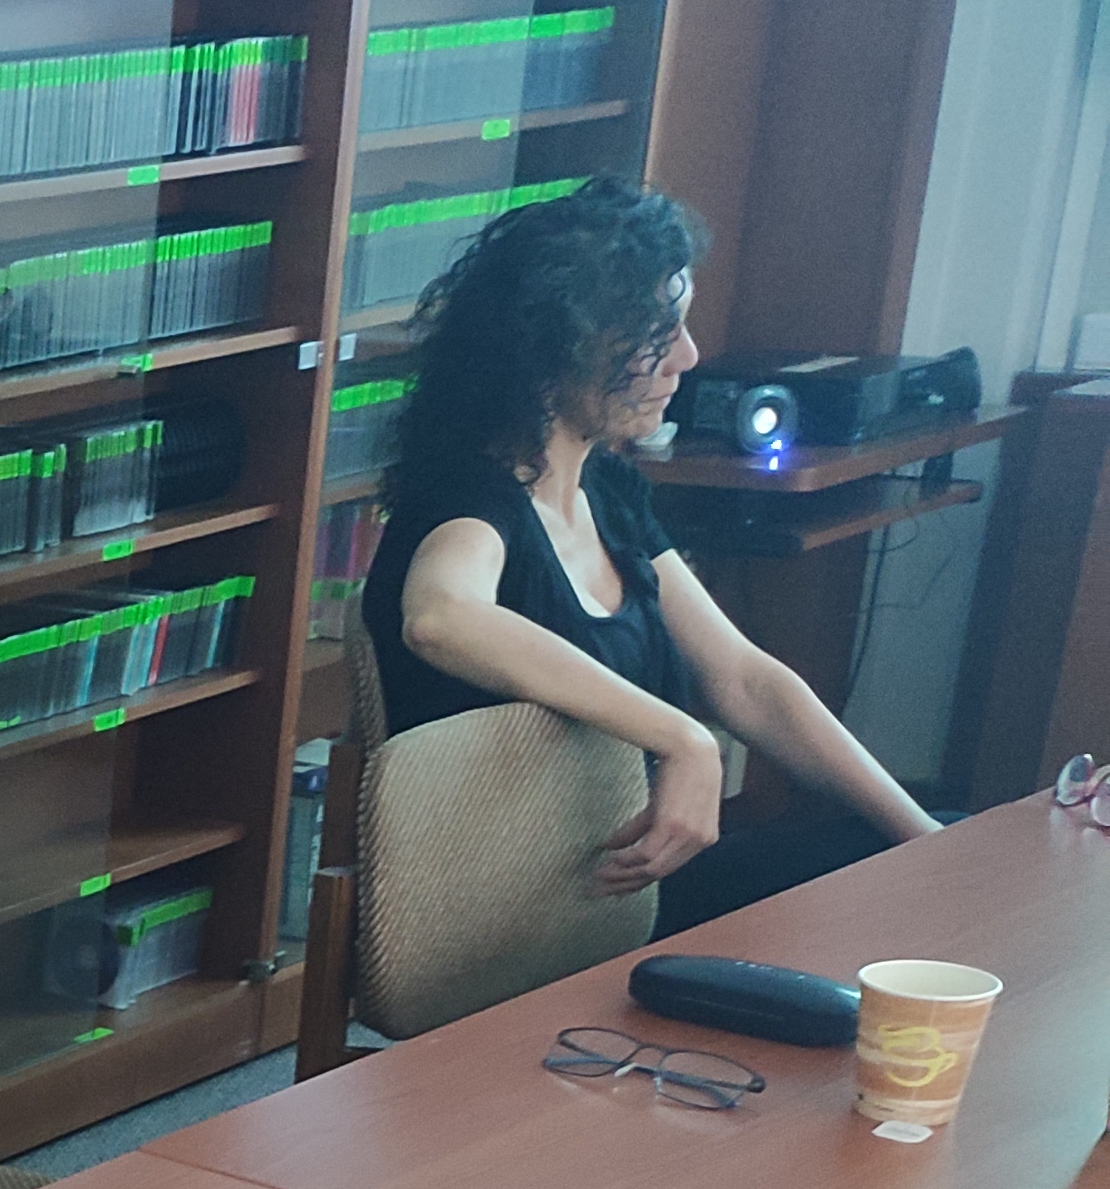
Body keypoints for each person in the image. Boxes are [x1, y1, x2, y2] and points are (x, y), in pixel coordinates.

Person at [366, 176, 942, 935]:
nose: (688, 356)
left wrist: (932, 842)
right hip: (526, 913)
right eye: (656, 332)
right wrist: (682, 738)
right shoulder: (467, 498)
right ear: (558, 348)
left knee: (912, 849)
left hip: (622, 885)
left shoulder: (606, 492)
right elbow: (440, 618)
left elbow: (744, 681)